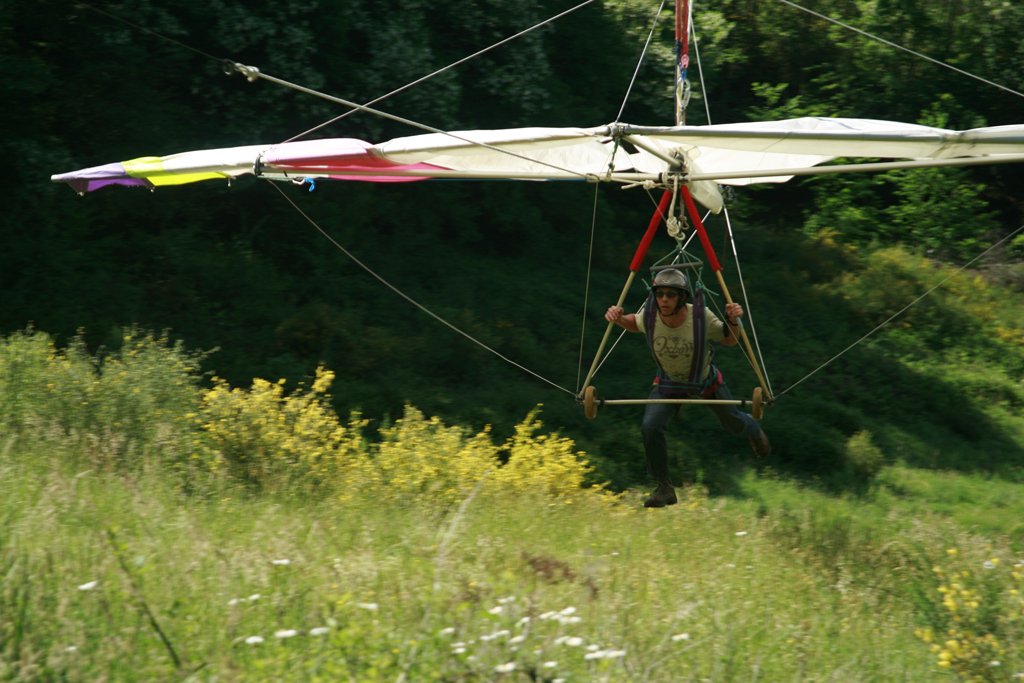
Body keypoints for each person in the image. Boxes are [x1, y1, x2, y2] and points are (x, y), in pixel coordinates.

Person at [605, 268, 770, 508]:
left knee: (732, 423)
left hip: (704, 380)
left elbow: (729, 339)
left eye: (670, 294)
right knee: (650, 426)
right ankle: (664, 487)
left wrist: (733, 321)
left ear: (682, 298)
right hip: (668, 382)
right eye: (659, 293)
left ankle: (753, 429)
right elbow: (633, 322)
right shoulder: (650, 315)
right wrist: (617, 316)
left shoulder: (700, 316)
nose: (663, 299)